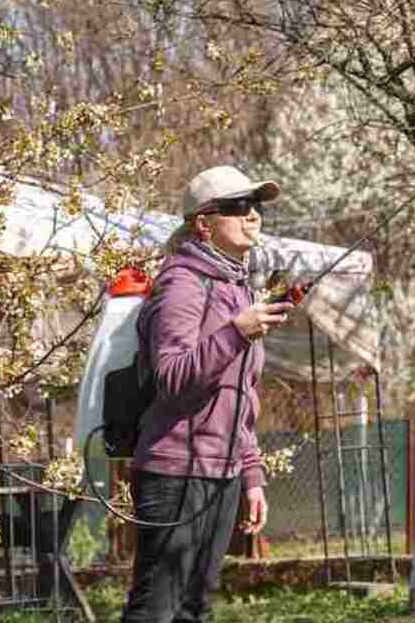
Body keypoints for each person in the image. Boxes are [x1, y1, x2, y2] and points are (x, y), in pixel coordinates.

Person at [120, 166, 294, 623]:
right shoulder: (181, 284)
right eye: (238, 207)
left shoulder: (237, 288)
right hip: (175, 469)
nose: (252, 216)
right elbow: (173, 377)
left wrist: (252, 476)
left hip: (224, 472)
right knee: (156, 609)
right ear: (203, 222)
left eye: (255, 206)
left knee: (193, 609)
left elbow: (240, 398)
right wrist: (236, 333)